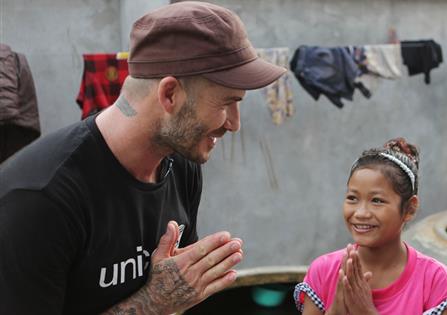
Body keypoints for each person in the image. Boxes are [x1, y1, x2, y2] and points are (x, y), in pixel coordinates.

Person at [0, 2, 286, 314]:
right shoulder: (40, 199)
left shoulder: (181, 165)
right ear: (169, 95)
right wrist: (153, 303)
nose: (234, 123)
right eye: (227, 102)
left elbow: (180, 301)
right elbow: (164, 302)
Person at [294, 138, 447, 315]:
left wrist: (367, 312)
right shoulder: (324, 272)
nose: (361, 213)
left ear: (409, 208)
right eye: (352, 198)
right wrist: (336, 311)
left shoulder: (434, 281)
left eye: (377, 201)